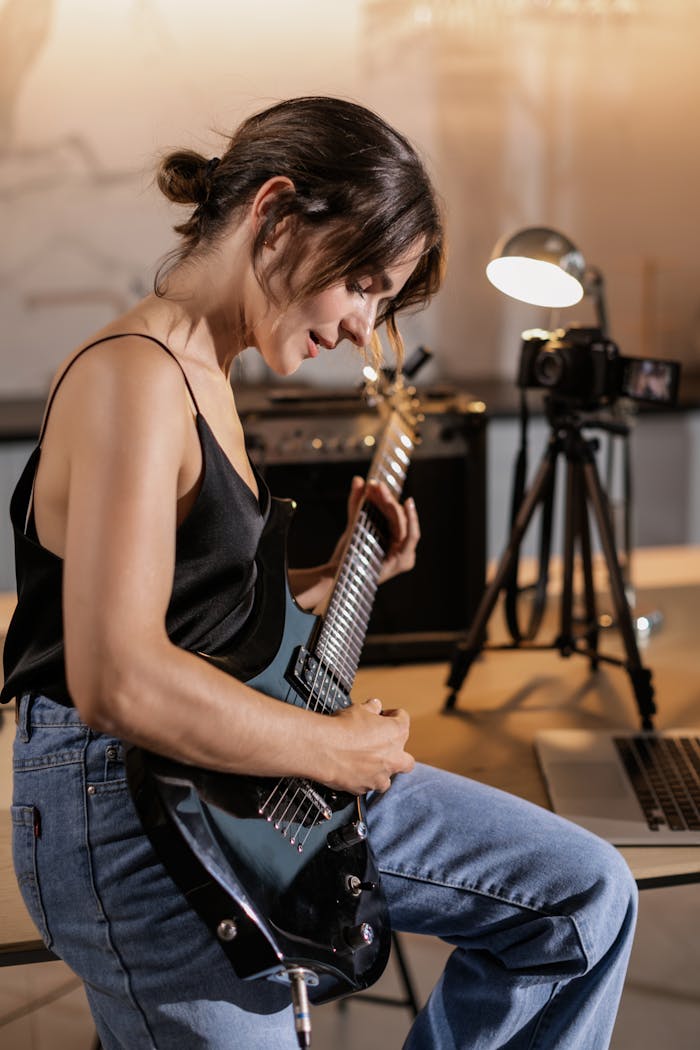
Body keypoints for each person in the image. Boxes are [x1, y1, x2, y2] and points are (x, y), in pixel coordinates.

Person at [2, 97, 637, 1049]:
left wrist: (338, 577)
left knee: (584, 899)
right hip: (126, 802)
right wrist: (333, 751)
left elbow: (194, 623)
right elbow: (117, 678)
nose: (362, 329)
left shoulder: (209, 371)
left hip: (236, 766)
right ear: (278, 212)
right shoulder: (133, 377)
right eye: (366, 285)